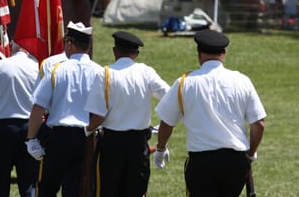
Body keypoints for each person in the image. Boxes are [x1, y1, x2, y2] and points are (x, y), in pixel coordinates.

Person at [154, 29, 266, 197]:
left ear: (199, 54)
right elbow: (259, 124)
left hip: (202, 161)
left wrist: (161, 149)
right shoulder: (242, 80)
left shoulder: (184, 83)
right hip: (235, 161)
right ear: (224, 53)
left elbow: (167, 123)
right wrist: (250, 154)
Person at [84, 31, 170, 197]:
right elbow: (169, 97)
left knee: (106, 190)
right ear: (136, 54)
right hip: (138, 144)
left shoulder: (105, 74)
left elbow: (99, 115)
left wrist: (87, 131)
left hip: (111, 143)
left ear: (115, 51)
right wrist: (162, 125)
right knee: (136, 191)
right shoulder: (146, 72)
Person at [26, 21, 102, 197]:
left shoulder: (56, 71)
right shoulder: (99, 72)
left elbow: (38, 107)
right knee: (77, 189)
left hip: (57, 137)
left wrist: (31, 139)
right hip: (86, 137)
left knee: (46, 188)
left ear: (69, 44)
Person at [0, 41, 40, 197]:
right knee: (28, 180)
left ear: (12, 48)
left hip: (4, 129)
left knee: (0, 179)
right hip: (30, 128)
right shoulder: (37, 68)